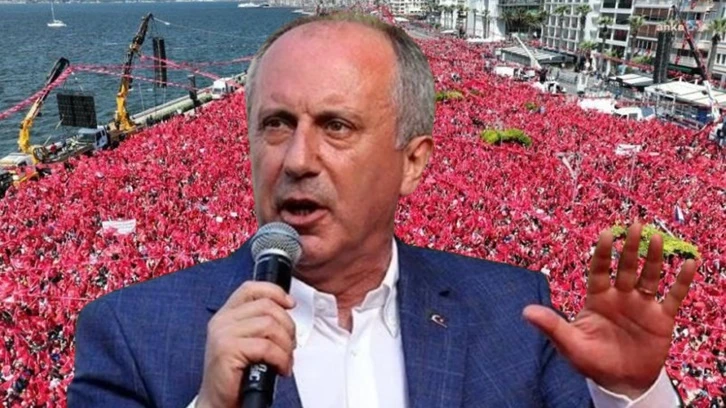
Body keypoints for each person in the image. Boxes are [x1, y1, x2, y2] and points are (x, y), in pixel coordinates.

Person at [68, 13, 696, 408]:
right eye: (276, 124)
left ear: (414, 163)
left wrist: (631, 394)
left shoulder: (518, 314)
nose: (297, 159)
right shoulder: (130, 334)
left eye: (336, 126)